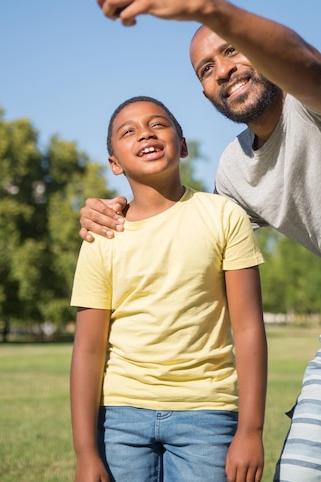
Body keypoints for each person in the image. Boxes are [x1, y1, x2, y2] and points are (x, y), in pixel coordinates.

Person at [78, 0, 321, 482]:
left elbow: (311, 68)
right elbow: (191, 230)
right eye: (205, 70)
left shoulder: (320, 100)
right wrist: (114, 210)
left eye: (231, 49)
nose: (222, 70)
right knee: (299, 475)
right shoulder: (234, 172)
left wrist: (204, 7)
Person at [70, 95, 267, 482]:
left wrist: (251, 430)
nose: (146, 133)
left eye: (158, 124)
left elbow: (248, 328)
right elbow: (88, 349)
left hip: (207, 414)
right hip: (120, 417)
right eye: (129, 131)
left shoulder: (223, 215)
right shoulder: (102, 235)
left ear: (183, 144)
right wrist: (85, 453)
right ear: (114, 163)